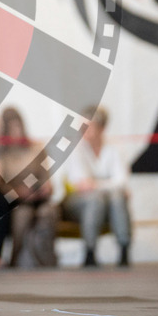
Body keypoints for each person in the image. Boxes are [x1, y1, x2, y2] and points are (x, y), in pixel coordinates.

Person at [61, 106, 132, 266]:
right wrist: (109, 186)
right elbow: (80, 183)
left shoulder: (115, 147)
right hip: (76, 203)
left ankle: (124, 250)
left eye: (89, 126)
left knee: (116, 197)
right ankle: (90, 252)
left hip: (106, 201)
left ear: (102, 128)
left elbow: (122, 181)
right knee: (99, 198)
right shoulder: (76, 148)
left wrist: (95, 184)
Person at [0, 107, 61, 268]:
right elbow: (0, 185)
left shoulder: (36, 148)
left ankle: (46, 261)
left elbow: (46, 177)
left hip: (39, 196)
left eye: (18, 126)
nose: (16, 132)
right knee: (22, 215)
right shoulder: (1, 154)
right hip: (16, 200)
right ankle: (14, 259)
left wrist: (46, 187)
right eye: (12, 128)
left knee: (48, 213)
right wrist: (19, 192)